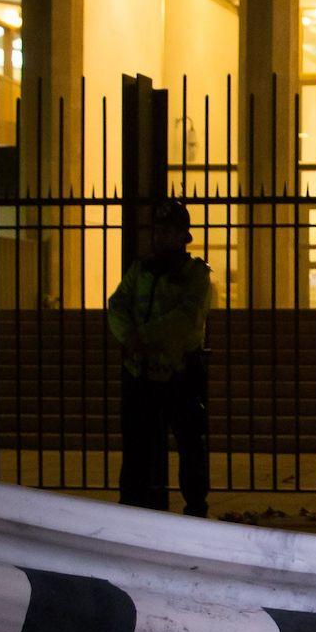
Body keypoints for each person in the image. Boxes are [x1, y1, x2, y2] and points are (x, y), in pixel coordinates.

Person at [108, 197, 214, 517]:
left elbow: (187, 319)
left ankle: (194, 509)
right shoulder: (141, 270)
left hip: (180, 373)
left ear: (185, 236)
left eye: (170, 231)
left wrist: (143, 337)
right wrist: (129, 337)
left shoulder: (195, 274)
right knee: (138, 449)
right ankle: (136, 508)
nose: (162, 237)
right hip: (140, 374)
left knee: (190, 447)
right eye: (158, 230)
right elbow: (118, 305)